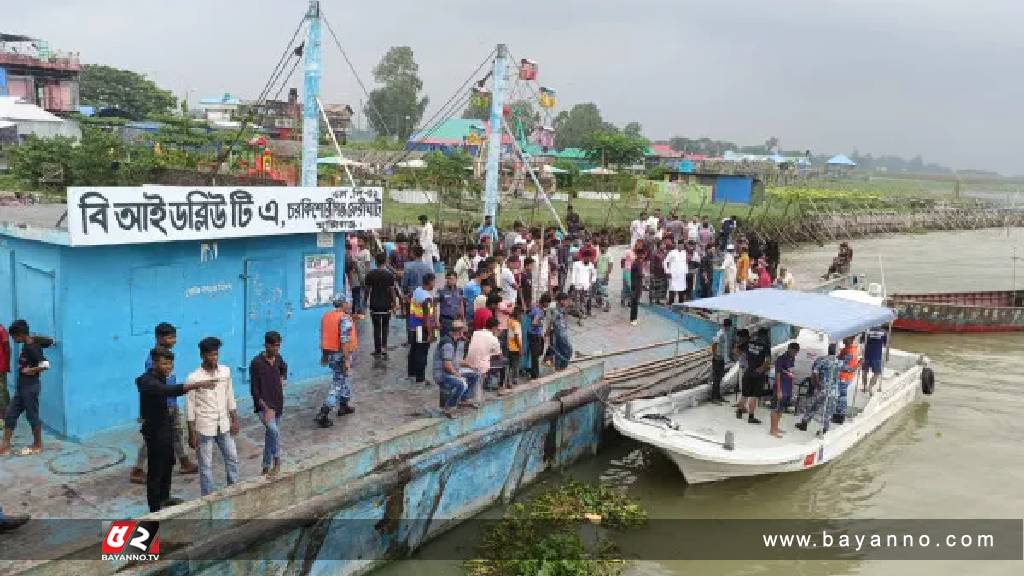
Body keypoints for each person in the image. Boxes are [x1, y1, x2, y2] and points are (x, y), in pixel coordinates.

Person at [136, 347, 215, 512]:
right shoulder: (148, 381)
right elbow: (166, 391)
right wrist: (195, 385)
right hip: (154, 431)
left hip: (166, 427)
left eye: (170, 364)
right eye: (164, 363)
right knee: (156, 469)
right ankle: (154, 508)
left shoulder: (161, 377)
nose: (168, 367)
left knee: (168, 463)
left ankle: (165, 497)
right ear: (154, 362)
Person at [130, 323, 196, 484]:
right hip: (161, 406)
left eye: (174, 337)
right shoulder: (153, 360)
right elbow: (153, 387)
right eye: (170, 337)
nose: (174, 340)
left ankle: (184, 461)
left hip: (171, 403)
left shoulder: (167, 355)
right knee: (151, 439)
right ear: (160, 338)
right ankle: (137, 470)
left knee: (176, 433)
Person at [185, 337, 240, 497]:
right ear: (202, 355)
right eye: (210, 355)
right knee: (206, 466)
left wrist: (234, 419)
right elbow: (190, 407)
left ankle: (233, 489)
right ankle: (208, 497)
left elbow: (230, 396)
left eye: (216, 354)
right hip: (204, 427)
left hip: (224, 424)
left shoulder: (225, 372)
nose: (214, 358)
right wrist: (191, 433)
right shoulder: (194, 378)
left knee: (232, 457)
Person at [0, 320, 48, 456]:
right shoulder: (27, 344)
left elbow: (45, 364)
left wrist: (31, 370)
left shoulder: (31, 347)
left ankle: (38, 445)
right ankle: (5, 446)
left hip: (30, 387)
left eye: (13, 337)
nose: (13, 339)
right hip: (22, 388)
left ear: (20, 335)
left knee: (32, 415)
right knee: (10, 414)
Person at [316, 293, 357, 428]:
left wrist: (324, 355)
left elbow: (324, 337)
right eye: (348, 302)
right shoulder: (344, 319)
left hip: (331, 354)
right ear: (343, 304)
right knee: (338, 383)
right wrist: (346, 360)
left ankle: (344, 405)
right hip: (341, 355)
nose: (349, 304)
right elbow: (345, 341)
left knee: (342, 379)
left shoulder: (326, 316)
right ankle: (324, 412)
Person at [250, 331, 287, 477]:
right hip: (264, 406)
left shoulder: (278, 359)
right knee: (274, 431)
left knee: (270, 436)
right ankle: (277, 461)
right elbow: (254, 389)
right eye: (273, 346)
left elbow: (284, 367)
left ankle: (265, 466)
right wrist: (265, 409)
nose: (276, 349)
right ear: (266, 345)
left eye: (278, 346)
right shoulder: (256, 363)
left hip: (278, 403)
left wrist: (282, 378)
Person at [433, 321, 478, 418]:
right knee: (462, 384)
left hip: (451, 370)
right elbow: (447, 366)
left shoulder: (454, 341)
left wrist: (470, 366)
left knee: (474, 375)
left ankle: (463, 399)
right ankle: (449, 408)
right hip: (443, 374)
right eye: (464, 333)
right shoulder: (448, 344)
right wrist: (458, 375)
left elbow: (456, 361)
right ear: (460, 332)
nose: (465, 336)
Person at [796, 343, 841, 434]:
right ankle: (825, 430)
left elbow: (814, 372)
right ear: (836, 351)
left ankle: (804, 423)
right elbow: (850, 370)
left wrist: (816, 384)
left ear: (828, 350)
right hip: (833, 391)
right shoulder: (839, 362)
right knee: (829, 410)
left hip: (822, 388)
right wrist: (859, 363)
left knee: (813, 406)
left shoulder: (821, 359)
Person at [364, 253, 399, 359]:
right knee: (385, 326)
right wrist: (394, 302)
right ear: (386, 262)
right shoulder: (389, 275)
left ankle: (377, 349)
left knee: (376, 327)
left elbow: (367, 290)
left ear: (376, 262)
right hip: (386, 304)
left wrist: (365, 301)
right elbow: (392, 290)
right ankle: (384, 348)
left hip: (374, 304)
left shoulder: (370, 274)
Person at [736, 327, 771, 425]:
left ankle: (739, 412)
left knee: (744, 394)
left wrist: (747, 358)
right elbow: (767, 361)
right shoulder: (765, 346)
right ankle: (751, 417)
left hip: (748, 371)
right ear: (764, 335)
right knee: (754, 396)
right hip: (757, 374)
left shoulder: (749, 343)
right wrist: (761, 369)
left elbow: (736, 350)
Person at [407, 273, 437, 386]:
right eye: (434, 281)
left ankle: (412, 373)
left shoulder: (417, 290)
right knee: (422, 353)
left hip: (413, 326)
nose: (434, 284)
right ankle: (420, 378)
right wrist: (430, 333)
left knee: (414, 350)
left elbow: (408, 299)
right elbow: (427, 318)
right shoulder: (427, 298)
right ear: (429, 282)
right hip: (422, 328)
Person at [466, 317, 502, 403]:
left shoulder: (476, 333)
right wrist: (496, 337)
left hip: (469, 362)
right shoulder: (494, 339)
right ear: (494, 328)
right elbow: (499, 355)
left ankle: (472, 396)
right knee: (500, 362)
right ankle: (478, 399)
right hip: (481, 366)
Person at [770, 342, 800, 438]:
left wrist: (792, 387)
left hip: (787, 387)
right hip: (780, 386)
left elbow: (791, 373)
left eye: (796, 352)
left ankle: (776, 427)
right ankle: (772, 430)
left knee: (782, 408)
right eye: (794, 351)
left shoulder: (792, 359)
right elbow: (778, 375)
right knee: (776, 408)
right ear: (789, 349)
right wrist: (779, 390)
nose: (795, 353)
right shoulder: (781, 359)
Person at [834, 335, 860, 424]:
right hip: (846, 376)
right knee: (841, 396)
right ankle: (839, 413)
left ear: (851, 340)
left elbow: (843, 366)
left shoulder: (849, 352)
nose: (843, 338)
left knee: (842, 396)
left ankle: (840, 415)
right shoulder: (851, 349)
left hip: (844, 377)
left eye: (846, 338)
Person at [710, 318, 732, 403]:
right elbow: (714, 344)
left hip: (722, 358)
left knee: (719, 378)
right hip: (717, 358)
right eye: (729, 326)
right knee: (716, 378)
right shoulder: (720, 333)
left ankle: (718, 396)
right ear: (727, 326)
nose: (729, 328)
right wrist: (715, 355)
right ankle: (714, 398)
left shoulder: (725, 334)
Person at [437, 271, 465, 337]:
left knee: (456, 340)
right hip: (445, 319)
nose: (450, 280)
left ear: (456, 279)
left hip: (456, 319)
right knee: (445, 340)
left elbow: (461, 304)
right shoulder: (441, 291)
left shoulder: (460, 290)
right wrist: (437, 321)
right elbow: (436, 307)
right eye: (448, 278)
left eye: (453, 279)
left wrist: (463, 319)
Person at [350, 238, 372, 319]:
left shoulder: (366, 252)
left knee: (362, 294)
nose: (358, 242)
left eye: (360, 241)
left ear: (365, 242)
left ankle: (361, 311)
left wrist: (367, 276)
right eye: (358, 241)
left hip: (362, 276)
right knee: (359, 294)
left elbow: (367, 265)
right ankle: (358, 310)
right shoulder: (359, 251)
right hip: (357, 276)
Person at [862, 326, 887, 394]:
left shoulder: (866, 330)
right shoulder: (884, 332)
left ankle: (864, 387)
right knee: (877, 373)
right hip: (877, 356)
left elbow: (863, 341)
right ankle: (870, 387)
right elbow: (885, 344)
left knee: (865, 371)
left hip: (867, 355)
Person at [569, 253, 596, 317]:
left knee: (586, 299)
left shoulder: (591, 265)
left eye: (589, 258)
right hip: (577, 285)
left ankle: (588, 312)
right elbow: (573, 274)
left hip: (587, 285)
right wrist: (573, 283)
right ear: (583, 258)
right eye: (586, 258)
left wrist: (592, 282)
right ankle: (579, 313)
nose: (588, 259)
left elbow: (594, 274)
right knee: (577, 300)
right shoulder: (576, 264)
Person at [527, 295, 547, 379]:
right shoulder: (538, 311)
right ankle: (535, 375)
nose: (548, 305)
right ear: (544, 302)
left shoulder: (535, 309)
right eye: (547, 303)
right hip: (535, 334)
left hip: (532, 334)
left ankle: (534, 372)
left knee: (534, 355)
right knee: (535, 355)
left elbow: (529, 316)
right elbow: (534, 323)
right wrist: (540, 324)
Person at [505, 306, 524, 392]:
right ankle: (514, 380)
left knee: (509, 365)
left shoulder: (509, 321)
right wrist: (520, 348)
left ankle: (507, 380)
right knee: (515, 365)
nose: (522, 316)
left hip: (509, 346)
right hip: (515, 347)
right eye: (521, 314)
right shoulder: (516, 324)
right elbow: (516, 336)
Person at [629, 248, 646, 326]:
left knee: (635, 302)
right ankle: (633, 319)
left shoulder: (639, 262)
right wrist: (645, 275)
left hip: (637, 285)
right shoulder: (637, 263)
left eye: (643, 254)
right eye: (641, 254)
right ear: (638, 255)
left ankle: (634, 318)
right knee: (634, 303)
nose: (642, 256)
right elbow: (640, 274)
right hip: (635, 285)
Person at [594, 244, 612, 312]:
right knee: (598, 290)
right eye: (601, 247)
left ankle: (607, 305)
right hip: (597, 275)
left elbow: (610, 265)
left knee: (605, 291)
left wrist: (607, 275)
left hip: (604, 275)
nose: (602, 248)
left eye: (604, 247)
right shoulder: (598, 254)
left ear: (607, 248)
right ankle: (599, 303)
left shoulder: (609, 255)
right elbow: (595, 263)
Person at [0, 323, 9, 432]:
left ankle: (4, 418)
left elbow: (7, 348)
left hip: (1, 367)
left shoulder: (1, 330)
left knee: (1, 392)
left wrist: (7, 364)